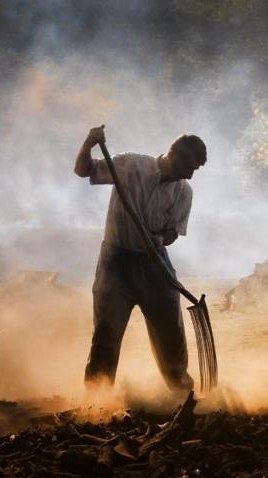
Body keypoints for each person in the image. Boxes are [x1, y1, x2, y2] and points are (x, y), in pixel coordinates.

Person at [73, 125, 206, 392]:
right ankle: (97, 400)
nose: (190, 175)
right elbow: (83, 170)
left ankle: (181, 392)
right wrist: (89, 142)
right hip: (115, 261)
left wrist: (159, 240)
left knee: (170, 331)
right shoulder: (131, 165)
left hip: (155, 265)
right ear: (174, 155)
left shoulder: (183, 191)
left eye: (195, 170)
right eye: (189, 167)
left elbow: (172, 232)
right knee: (106, 334)